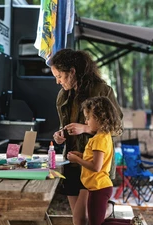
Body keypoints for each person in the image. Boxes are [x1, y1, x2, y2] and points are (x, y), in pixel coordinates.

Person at [48, 49, 123, 225]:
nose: (57, 81)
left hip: (93, 164)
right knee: (79, 218)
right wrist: (61, 135)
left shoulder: (102, 90)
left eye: (60, 76)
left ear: (72, 71)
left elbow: (118, 128)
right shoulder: (62, 96)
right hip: (73, 161)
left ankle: (108, 208)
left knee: (84, 217)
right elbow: (65, 125)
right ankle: (105, 208)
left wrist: (86, 128)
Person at [67, 96, 144, 225]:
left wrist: (77, 160)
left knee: (97, 224)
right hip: (98, 187)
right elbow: (96, 159)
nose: (86, 122)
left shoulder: (98, 139)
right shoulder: (104, 136)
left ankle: (134, 224)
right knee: (98, 221)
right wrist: (81, 156)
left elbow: (96, 167)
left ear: (99, 118)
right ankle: (134, 222)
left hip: (99, 188)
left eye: (88, 118)